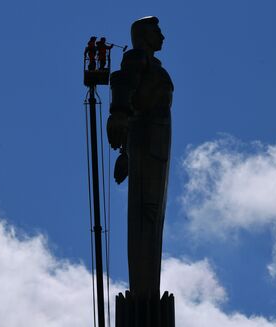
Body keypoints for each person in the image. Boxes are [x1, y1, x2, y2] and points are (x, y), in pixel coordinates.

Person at [107, 16, 173, 305]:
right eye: (157, 31)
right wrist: (119, 116)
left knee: (154, 211)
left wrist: (125, 152)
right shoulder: (136, 59)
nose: (162, 36)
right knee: (146, 210)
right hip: (147, 141)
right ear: (145, 35)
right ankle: (143, 291)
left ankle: (148, 284)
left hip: (157, 145)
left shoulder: (153, 66)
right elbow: (124, 86)